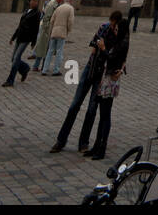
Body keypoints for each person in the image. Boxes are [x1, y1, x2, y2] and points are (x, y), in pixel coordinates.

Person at [51, 11, 124, 153]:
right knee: (75, 105)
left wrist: (114, 60)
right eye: (112, 25)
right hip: (91, 70)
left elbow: (120, 55)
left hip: (103, 75)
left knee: (91, 109)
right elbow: (93, 47)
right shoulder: (104, 27)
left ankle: (83, 143)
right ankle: (61, 140)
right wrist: (102, 52)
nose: (113, 28)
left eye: (115, 26)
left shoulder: (121, 37)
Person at [85, 19, 130, 160]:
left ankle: (101, 148)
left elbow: (111, 58)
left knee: (105, 115)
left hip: (110, 80)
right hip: (107, 78)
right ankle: (97, 145)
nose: (115, 31)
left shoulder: (122, 43)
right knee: (103, 115)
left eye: (117, 29)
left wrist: (103, 48)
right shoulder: (120, 41)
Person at [3, 0, 40, 86]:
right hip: (19, 37)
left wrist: (33, 42)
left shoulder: (37, 13)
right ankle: (25, 68)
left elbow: (36, 28)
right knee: (13, 58)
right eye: (32, 0)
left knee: (16, 59)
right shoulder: (26, 11)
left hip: (26, 39)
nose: (34, 2)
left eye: (36, 1)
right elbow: (20, 25)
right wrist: (13, 37)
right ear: (29, 1)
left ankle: (10, 80)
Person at [42, 0, 74, 75]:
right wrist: (68, 30)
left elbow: (52, 20)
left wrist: (52, 30)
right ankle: (56, 70)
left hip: (54, 31)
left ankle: (44, 70)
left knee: (50, 51)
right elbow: (70, 22)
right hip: (62, 31)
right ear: (70, 1)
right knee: (59, 52)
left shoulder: (59, 7)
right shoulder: (70, 8)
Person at [33, 0, 59, 68]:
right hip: (44, 26)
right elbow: (43, 14)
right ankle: (37, 65)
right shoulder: (47, 3)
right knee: (42, 45)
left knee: (45, 46)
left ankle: (41, 65)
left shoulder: (53, 4)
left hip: (47, 27)